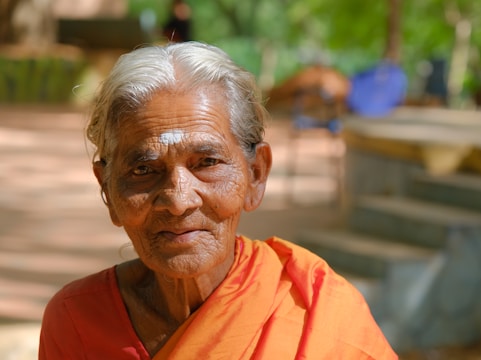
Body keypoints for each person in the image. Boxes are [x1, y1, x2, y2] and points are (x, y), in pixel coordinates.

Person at [38, 42, 397, 359]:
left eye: (207, 163)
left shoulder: (316, 310)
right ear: (107, 191)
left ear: (256, 174)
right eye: (144, 170)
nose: (178, 201)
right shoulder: (77, 319)